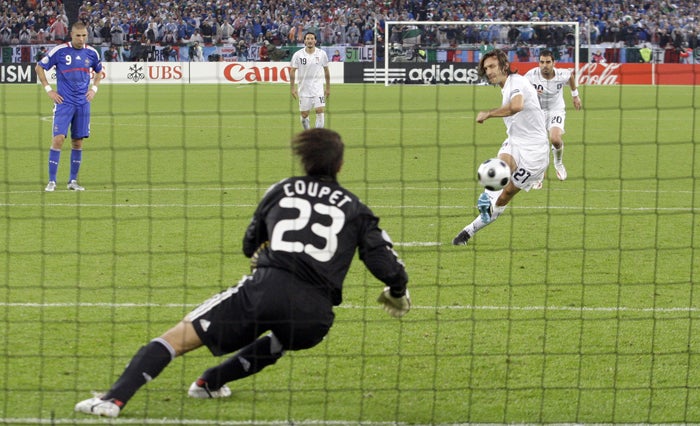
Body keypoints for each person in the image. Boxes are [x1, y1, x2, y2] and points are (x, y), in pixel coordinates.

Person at [74, 128, 411, 418]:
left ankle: (111, 400)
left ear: (304, 160)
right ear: (339, 164)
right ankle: (210, 383)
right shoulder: (357, 208)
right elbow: (386, 264)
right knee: (281, 338)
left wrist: (260, 254)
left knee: (175, 339)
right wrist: (397, 292)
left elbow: (250, 243)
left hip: (264, 290)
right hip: (315, 316)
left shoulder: (282, 189)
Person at [452, 49, 549, 246]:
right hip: (515, 141)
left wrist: (488, 114)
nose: (488, 71)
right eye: (486, 68)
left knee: (505, 196)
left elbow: (516, 106)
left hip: (535, 152)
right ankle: (484, 202)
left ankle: (471, 228)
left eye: (492, 66)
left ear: (504, 65)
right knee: (500, 167)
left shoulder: (515, 82)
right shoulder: (508, 85)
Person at [36, 22, 103, 192]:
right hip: (64, 103)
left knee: (78, 142)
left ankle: (72, 181)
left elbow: (99, 72)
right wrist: (49, 90)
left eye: (84, 35)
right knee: (58, 139)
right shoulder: (60, 51)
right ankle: (52, 181)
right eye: (78, 36)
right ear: (71, 35)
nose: (81, 39)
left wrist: (94, 89)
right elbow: (39, 67)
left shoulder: (92, 53)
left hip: (83, 103)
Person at [523, 49, 582, 182]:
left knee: (555, 139)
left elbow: (571, 77)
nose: (545, 65)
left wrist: (575, 96)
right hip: (537, 112)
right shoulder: (530, 75)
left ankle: (558, 163)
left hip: (556, 109)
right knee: (538, 144)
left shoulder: (562, 74)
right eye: (542, 62)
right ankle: (539, 173)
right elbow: (520, 90)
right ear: (539, 63)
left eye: (548, 62)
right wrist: (531, 92)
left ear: (553, 63)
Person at [290, 32, 330, 129]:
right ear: (304, 41)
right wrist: (292, 88)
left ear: (315, 41)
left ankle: (317, 136)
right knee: (304, 115)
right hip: (304, 89)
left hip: (318, 88)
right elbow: (292, 71)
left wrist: (328, 88)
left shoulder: (322, 54)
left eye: (312, 39)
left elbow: (326, 70)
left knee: (320, 111)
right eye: (308, 39)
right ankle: (308, 132)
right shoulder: (298, 55)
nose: (310, 41)